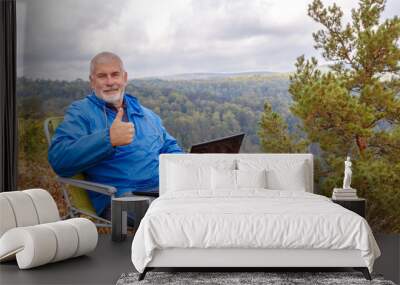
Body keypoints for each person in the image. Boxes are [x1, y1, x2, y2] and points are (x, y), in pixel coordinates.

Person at [48, 51, 183, 219]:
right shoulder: (81, 113)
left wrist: (189, 170)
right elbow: (59, 159)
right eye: (102, 76)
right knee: (175, 217)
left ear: (124, 78)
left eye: (115, 75)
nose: (110, 82)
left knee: (205, 205)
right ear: (92, 82)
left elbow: (170, 148)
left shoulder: (145, 114)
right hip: (121, 198)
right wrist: (108, 139)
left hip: (162, 191)